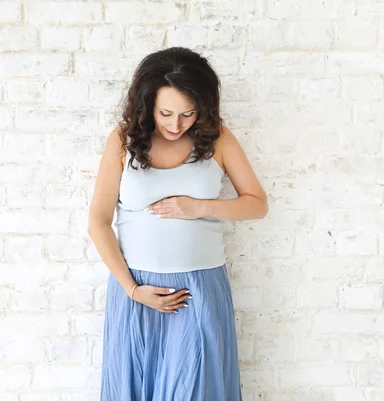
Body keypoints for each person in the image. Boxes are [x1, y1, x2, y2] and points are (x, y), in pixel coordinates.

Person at [87, 47, 268, 401]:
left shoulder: (219, 139)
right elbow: (97, 221)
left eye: (188, 114)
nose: (175, 125)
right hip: (137, 291)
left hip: (199, 288)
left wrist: (199, 206)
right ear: (147, 105)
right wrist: (133, 290)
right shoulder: (122, 141)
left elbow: (257, 204)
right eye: (165, 113)